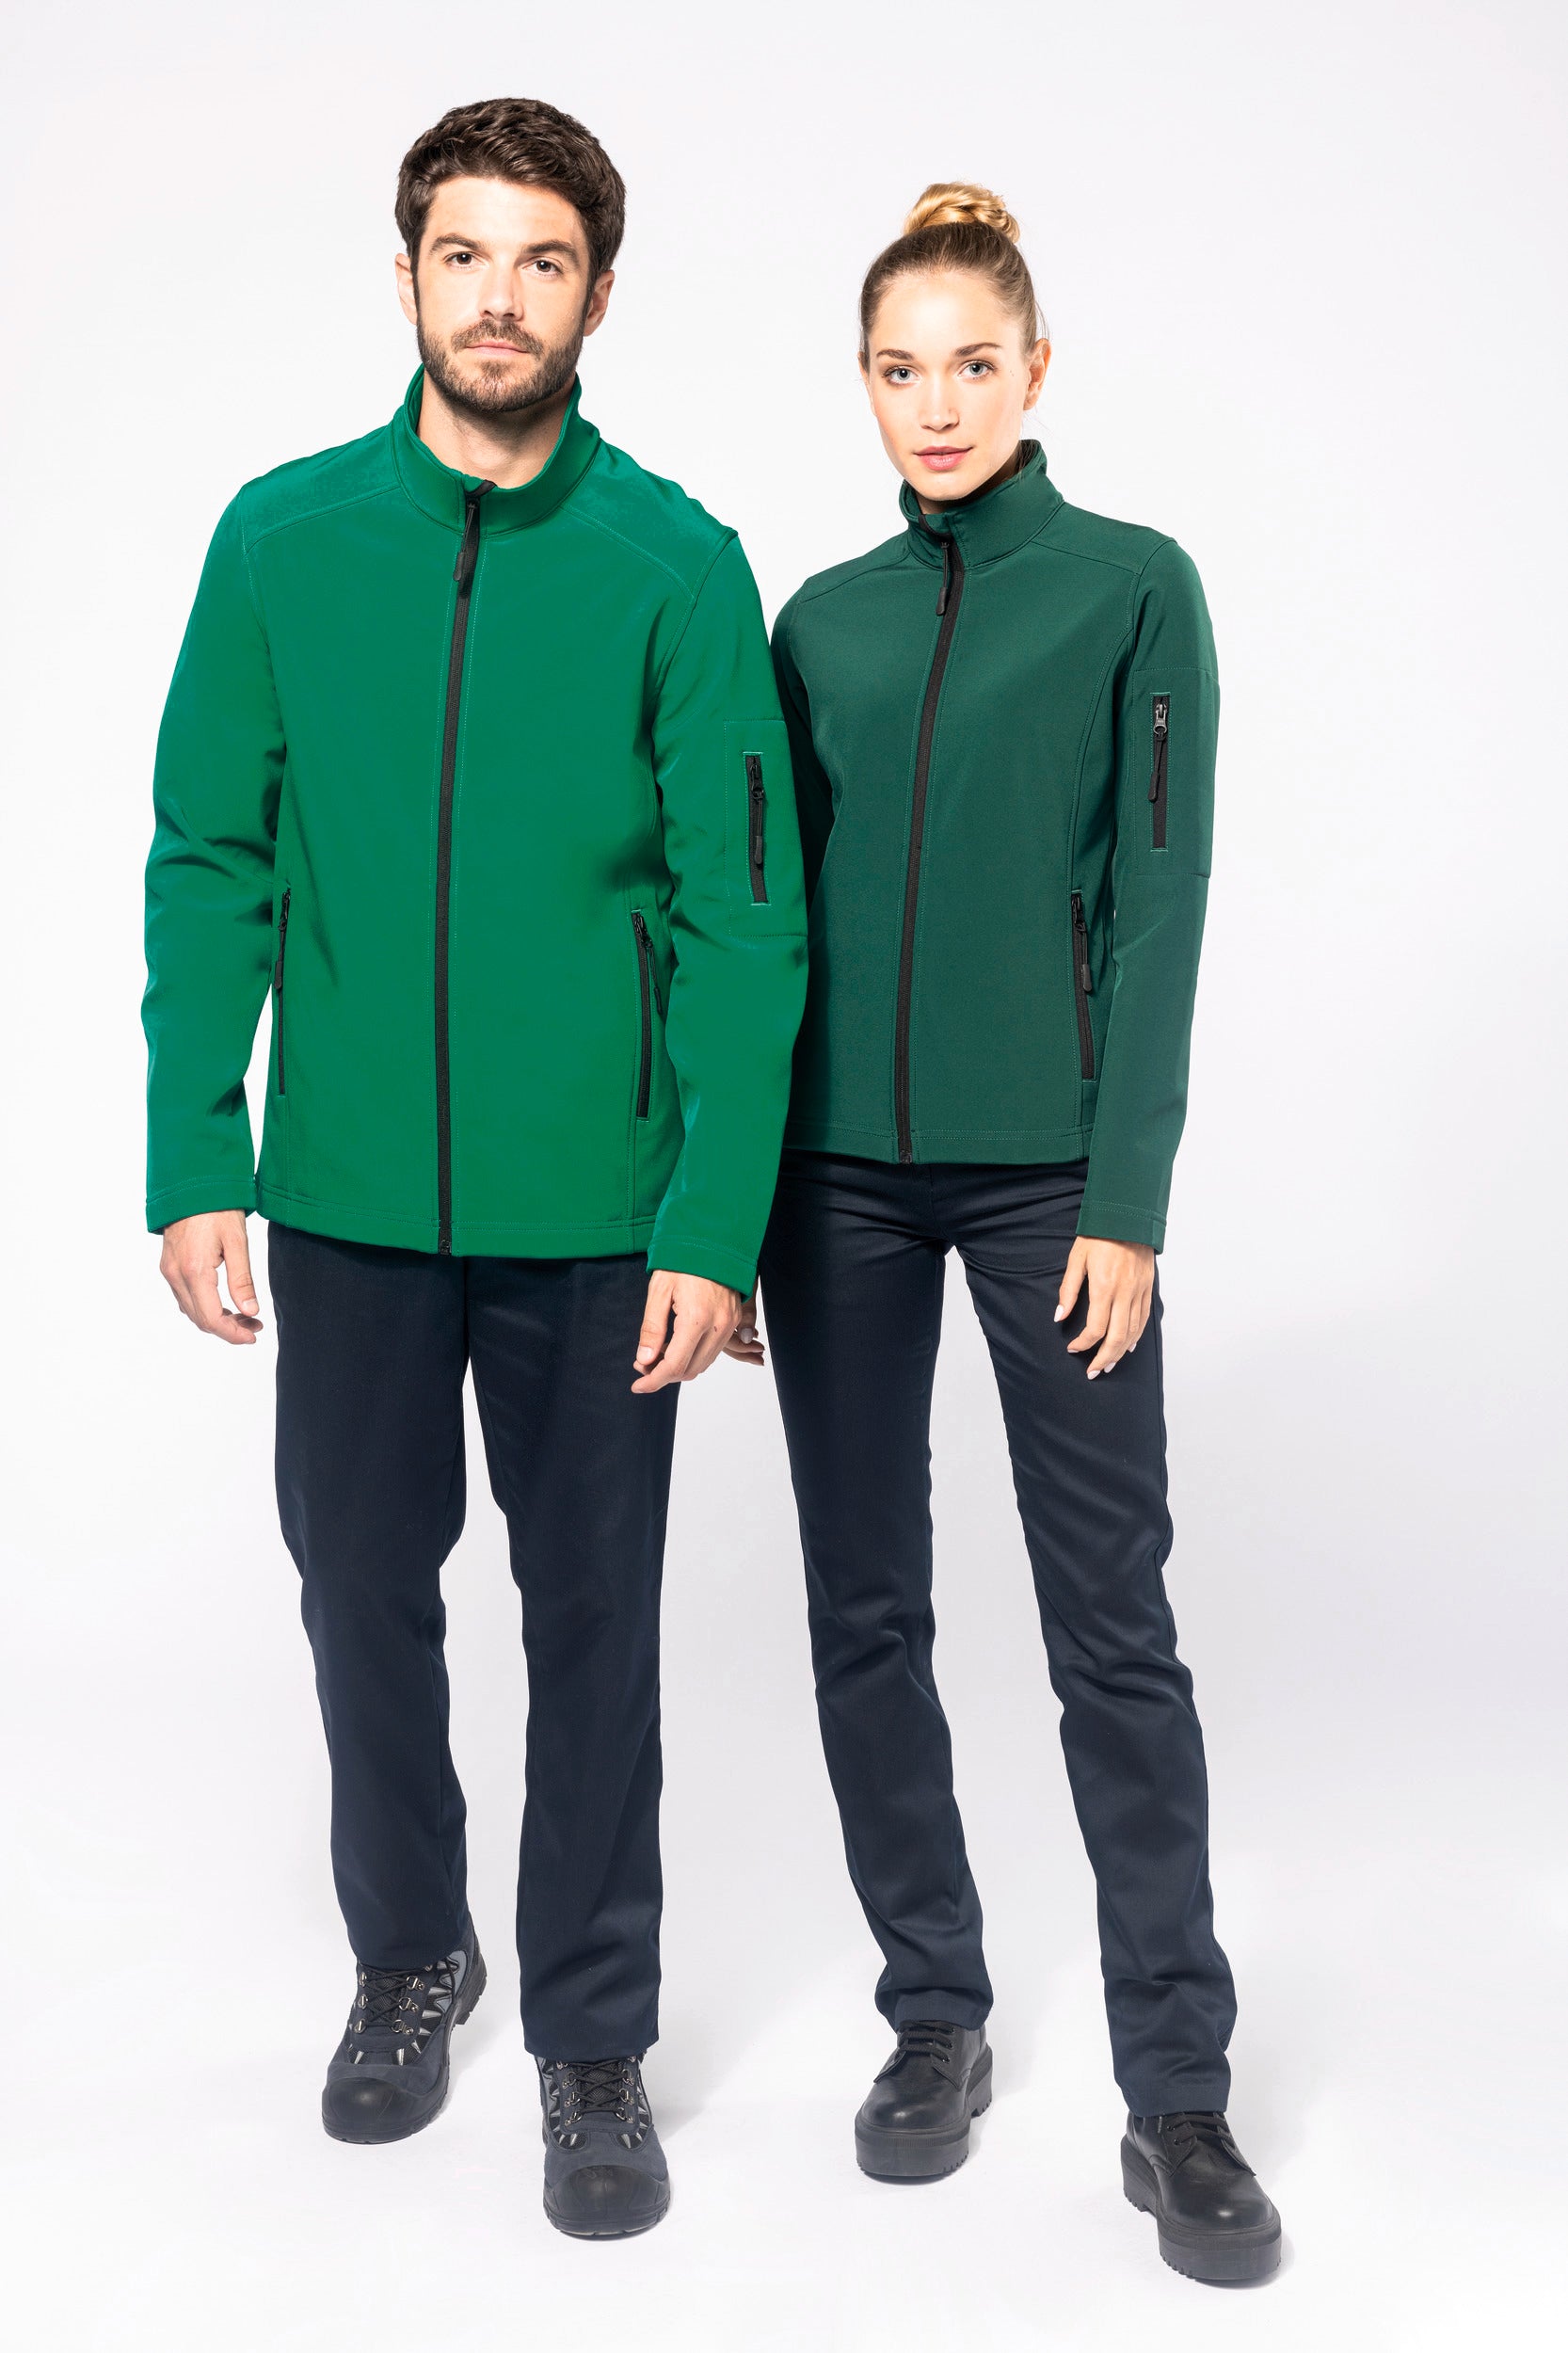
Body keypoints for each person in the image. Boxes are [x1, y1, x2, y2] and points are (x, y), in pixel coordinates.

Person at [142, 95, 806, 2242]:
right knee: (357, 1588)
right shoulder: (281, 540)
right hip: (343, 1199)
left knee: (593, 1615)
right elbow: (211, 855)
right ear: (408, 272)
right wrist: (194, 1144)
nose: (498, 297)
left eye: (541, 261)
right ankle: (411, 1952)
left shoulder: (675, 566)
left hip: (597, 1213)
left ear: (596, 294)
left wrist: (712, 1217)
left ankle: (591, 2031)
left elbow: (743, 917)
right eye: (464, 254)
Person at [730, 184, 1281, 2285]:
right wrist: (732, 1199)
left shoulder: (1132, 589)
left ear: (1035, 371)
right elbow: (762, 930)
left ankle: (1177, 2089)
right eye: (900, 370)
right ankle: (931, 2013)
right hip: (833, 1188)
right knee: (862, 1610)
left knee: (1107, 1623)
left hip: (1051, 1177)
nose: (937, 403)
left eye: (972, 363)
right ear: (862, 387)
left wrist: (1125, 1198)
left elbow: (1159, 903)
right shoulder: (819, 623)